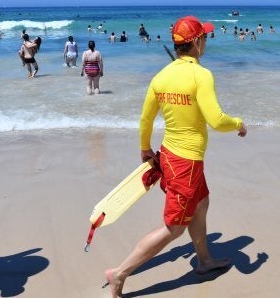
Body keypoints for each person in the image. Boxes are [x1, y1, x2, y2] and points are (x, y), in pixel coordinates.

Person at [104, 15, 247, 298]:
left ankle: (204, 261)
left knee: (202, 203)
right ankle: (119, 273)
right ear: (195, 42)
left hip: (168, 154)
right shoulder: (201, 75)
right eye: (204, 37)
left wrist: (145, 149)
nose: (206, 41)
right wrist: (239, 123)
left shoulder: (161, 76)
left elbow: (145, 120)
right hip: (187, 162)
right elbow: (217, 121)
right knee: (173, 228)